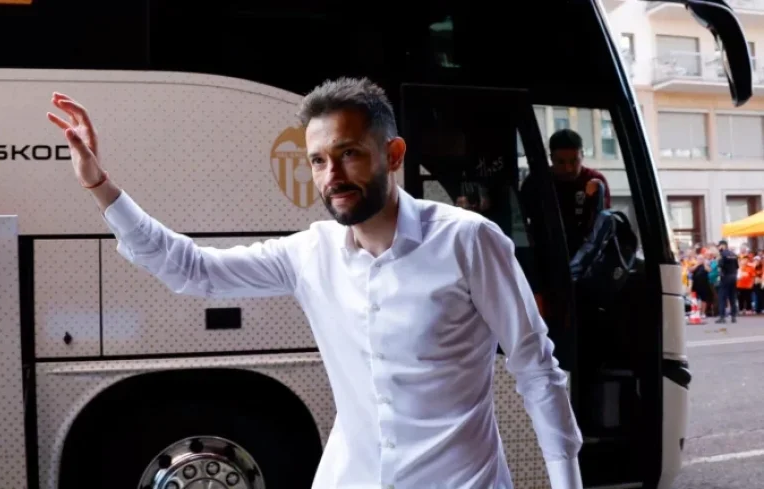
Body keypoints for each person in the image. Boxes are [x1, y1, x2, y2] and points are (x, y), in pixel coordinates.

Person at [46, 77, 583, 489]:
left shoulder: (469, 241)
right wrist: (99, 186)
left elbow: (537, 369)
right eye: (319, 160)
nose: (332, 176)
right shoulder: (310, 253)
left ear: (393, 155)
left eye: (349, 153)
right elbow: (191, 270)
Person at [521, 128, 612, 256]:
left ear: (582, 156)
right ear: (551, 158)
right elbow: (521, 222)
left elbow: (602, 223)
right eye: (561, 162)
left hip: (586, 255)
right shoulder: (536, 182)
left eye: (574, 161)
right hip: (545, 253)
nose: (568, 169)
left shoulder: (595, 181)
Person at [716, 240, 740, 324]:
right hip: (733, 277)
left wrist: (719, 277)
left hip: (725, 277)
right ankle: (733, 316)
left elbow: (720, 267)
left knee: (722, 297)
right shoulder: (734, 255)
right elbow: (737, 267)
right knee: (732, 297)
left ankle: (722, 317)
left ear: (723, 246)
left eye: (719, 246)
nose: (718, 248)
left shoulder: (722, 255)